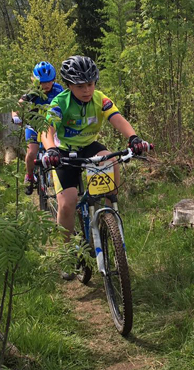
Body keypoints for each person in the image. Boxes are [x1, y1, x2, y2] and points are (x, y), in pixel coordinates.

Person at [39, 55, 151, 239]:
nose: (87, 90)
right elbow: (47, 129)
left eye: (90, 84)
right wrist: (51, 150)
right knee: (67, 204)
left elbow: (118, 119)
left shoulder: (100, 99)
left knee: (111, 161)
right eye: (80, 86)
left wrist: (133, 138)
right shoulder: (60, 102)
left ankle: (109, 215)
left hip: (89, 146)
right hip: (64, 151)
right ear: (69, 85)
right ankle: (68, 251)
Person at [12, 61, 65, 194]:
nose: (46, 85)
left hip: (52, 126)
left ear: (54, 79)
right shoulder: (33, 92)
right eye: (42, 82)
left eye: (49, 81)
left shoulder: (59, 90)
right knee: (31, 153)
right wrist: (15, 116)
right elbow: (19, 104)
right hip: (34, 125)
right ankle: (29, 176)